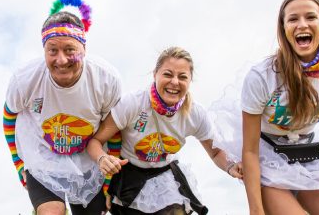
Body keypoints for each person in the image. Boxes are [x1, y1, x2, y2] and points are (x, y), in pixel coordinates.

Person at [87, 46, 243, 215]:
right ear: (155, 74)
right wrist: (102, 158)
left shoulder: (195, 113)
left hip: (165, 177)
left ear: (190, 80)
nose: (174, 82)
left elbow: (216, 153)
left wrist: (231, 166)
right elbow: (96, 141)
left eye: (182, 77)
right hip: (127, 176)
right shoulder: (133, 103)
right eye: (168, 74)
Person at [3, 0, 122, 215]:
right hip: (42, 156)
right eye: (52, 50)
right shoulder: (24, 79)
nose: (61, 60)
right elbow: (9, 118)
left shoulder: (106, 79)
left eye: (70, 50)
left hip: (89, 161)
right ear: (44, 51)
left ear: (84, 49)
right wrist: (20, 165)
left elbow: (114, 132)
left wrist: (109, 183)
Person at [240, 0, 319, 215]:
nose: (302, 24)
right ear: (283, 28)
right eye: (293, 19)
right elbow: (250, 151)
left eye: (310, 17)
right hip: (267, 154)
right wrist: (256, 210)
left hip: (309, 151)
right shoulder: (262, 77)